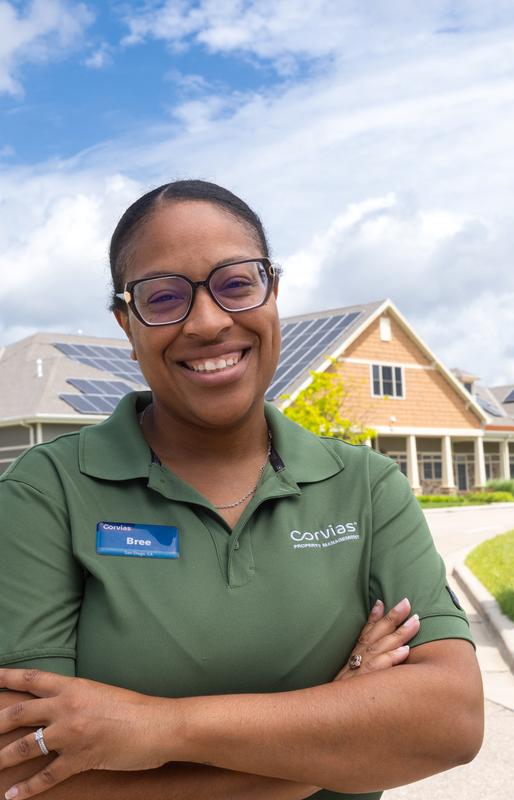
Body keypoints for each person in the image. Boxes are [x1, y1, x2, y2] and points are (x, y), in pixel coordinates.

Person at [0, 180, 483, 800]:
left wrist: (161, 728)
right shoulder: (46, 494)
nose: (207, 322)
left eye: (235, 283)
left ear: (272, 290)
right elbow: (22, 775)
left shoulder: (366, 488)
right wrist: (334, 731)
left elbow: (450, 721)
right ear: (126, 322)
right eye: (163, 296)